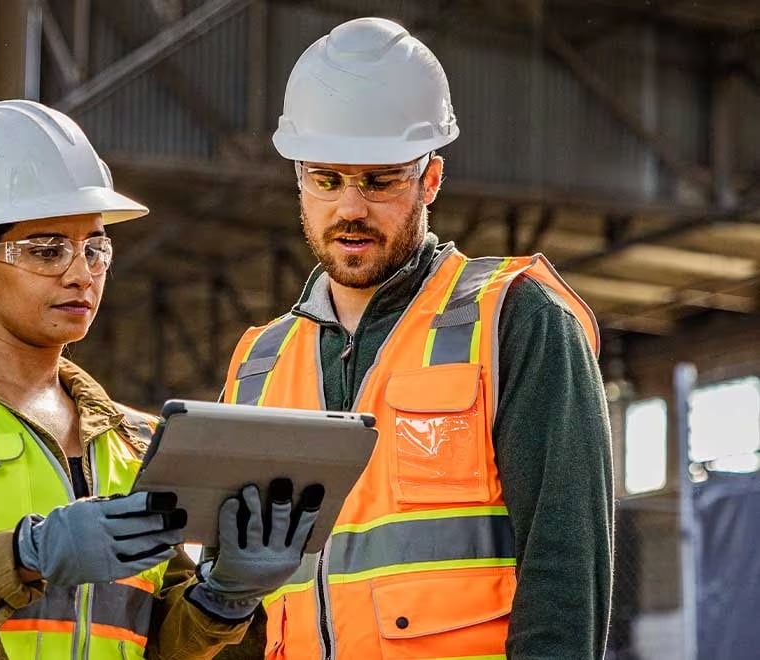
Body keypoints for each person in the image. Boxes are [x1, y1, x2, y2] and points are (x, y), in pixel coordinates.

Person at [0, 100, 321, 660]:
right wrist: (28, 552)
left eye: (95, 248)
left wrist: (224, 597)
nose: (81, 273)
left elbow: (157, 642)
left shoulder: (138, 442)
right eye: (47, 249)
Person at [217, 17, 613, 660]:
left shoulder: (515, 319)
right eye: (326, 180)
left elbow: (565, 565)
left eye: (380, 181)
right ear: (298, 179)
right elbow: (239, 603)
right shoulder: (258, 365)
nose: (350, 208)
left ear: (430, 179)